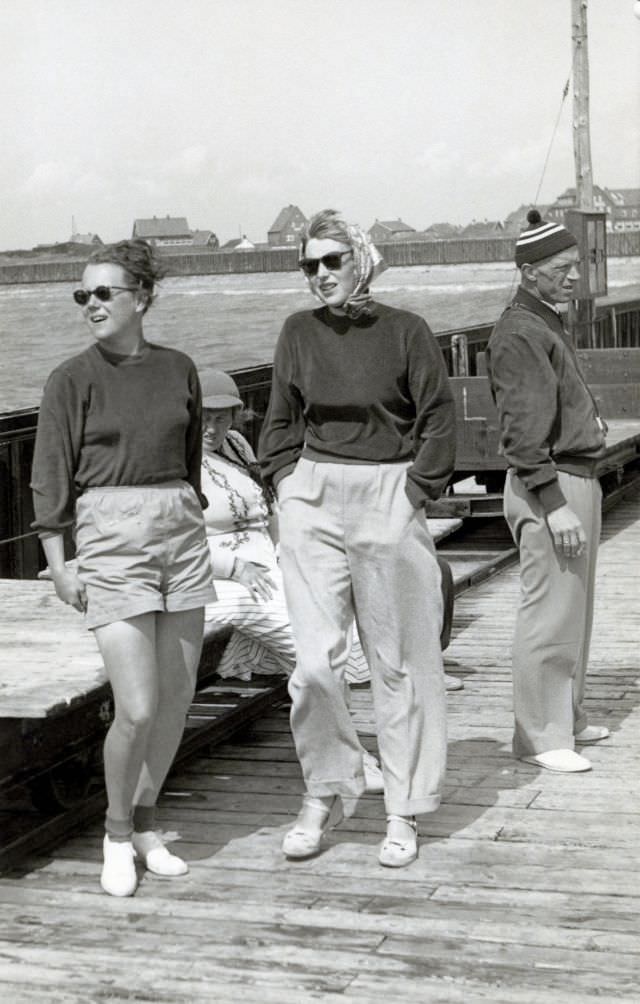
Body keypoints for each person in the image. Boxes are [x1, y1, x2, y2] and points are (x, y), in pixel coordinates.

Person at [259, 209, 456, 867]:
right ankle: (328, 785)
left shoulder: (407, 331)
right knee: (314, 665)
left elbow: (437, 422)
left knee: (397, 664)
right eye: (309, 265)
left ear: (360, 259)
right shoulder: (297, 332)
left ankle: (402, 806)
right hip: (313, 494)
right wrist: (287, 485)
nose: (319, 275)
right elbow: (279, 422)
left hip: (390, 494)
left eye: (331, 261)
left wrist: (411, 496)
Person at [30, 239, 216, 897]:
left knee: (178, 696)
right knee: (136, 706)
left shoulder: (180, 369)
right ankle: (114, 833)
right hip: (110, 538)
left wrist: (187, 512)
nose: (91, 305)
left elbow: (189, 460)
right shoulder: (70, 379)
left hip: (181, 529)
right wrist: (59, 564)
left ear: (143, 298)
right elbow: (50, 477)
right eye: (83, 294)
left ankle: (145, 821)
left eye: (104, 292)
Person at [198, 368, 385, 791]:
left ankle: (340, 747)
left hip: (269, 567)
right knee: (313, 652)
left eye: (222, 416)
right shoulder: (175, 462)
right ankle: (345, 758)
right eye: (204, 417)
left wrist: (291, 553)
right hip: (222, 577)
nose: (213, 427)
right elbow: (174, 540)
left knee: (333, 627)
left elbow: (270, 510)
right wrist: (234, 568)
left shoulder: (235, 445)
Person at [485, 209, 610, 774]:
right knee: (547, 613)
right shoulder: (519, 332)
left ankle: (567, 716)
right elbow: (521, 434)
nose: (575, 277)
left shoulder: (547, 321)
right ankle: (539, 735)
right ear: (530, 272)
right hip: (551, 486)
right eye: (563, 268)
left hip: (576, 477)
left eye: (576, 266)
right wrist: (553, 505)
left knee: (573, 611)